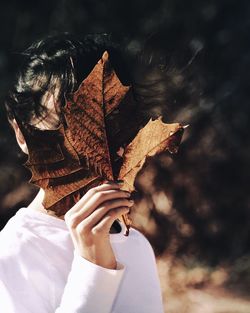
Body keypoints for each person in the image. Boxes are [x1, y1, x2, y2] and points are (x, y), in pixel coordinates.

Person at [0, 33, 164, 313]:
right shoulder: (12, 254)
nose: (89, 149)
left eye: (112, 125)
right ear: (21, 133)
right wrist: (94, 268)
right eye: (61, 128)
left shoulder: (136, 246)